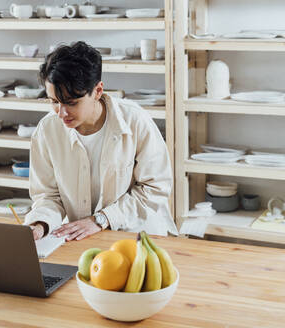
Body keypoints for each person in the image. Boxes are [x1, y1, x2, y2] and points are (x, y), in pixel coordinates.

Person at [24, 41, 177, 241]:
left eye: (71, 103)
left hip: (137, 235)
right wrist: (40, 224)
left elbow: (155, 188)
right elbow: (47, 196)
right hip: (81, 237)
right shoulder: (47, 130)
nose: (61, 113)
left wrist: (101, 219)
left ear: (97, 91)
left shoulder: (135, 121)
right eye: (54, 102)